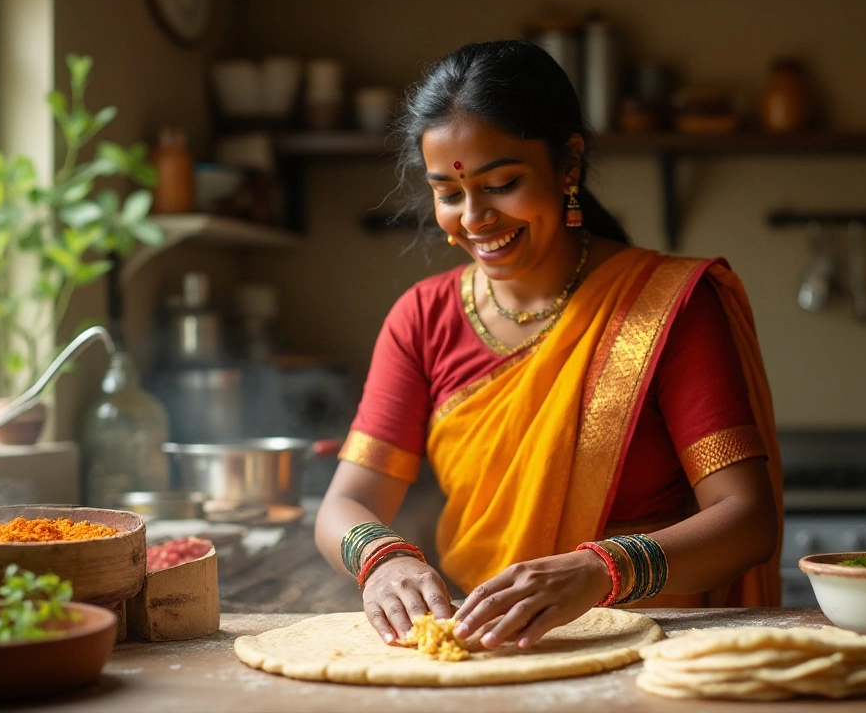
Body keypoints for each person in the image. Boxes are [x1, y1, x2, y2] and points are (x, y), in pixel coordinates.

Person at [314, 40, 783, 652]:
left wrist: (597, 571)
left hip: (648, 648)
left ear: (568, 166)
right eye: (450, 194)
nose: (476, 217)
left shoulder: (668, 305)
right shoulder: (422, 318)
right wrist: (382, 559)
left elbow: (746, 521)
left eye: (502, 183)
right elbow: (345, 502)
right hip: (483, 646)